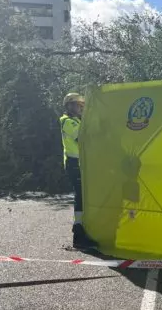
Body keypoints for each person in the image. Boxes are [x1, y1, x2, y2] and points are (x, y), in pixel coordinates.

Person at [60, 93, 98, 249]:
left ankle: (83, 230)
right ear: (69, 106)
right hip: (74, 163)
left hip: (83, 163)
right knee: (81, 196)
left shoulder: (78, 120)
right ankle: (78, 233)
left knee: (86, 196)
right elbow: (83, 137)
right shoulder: (67, 122)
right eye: (77, 105)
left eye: (82, 105)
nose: (80, 107)